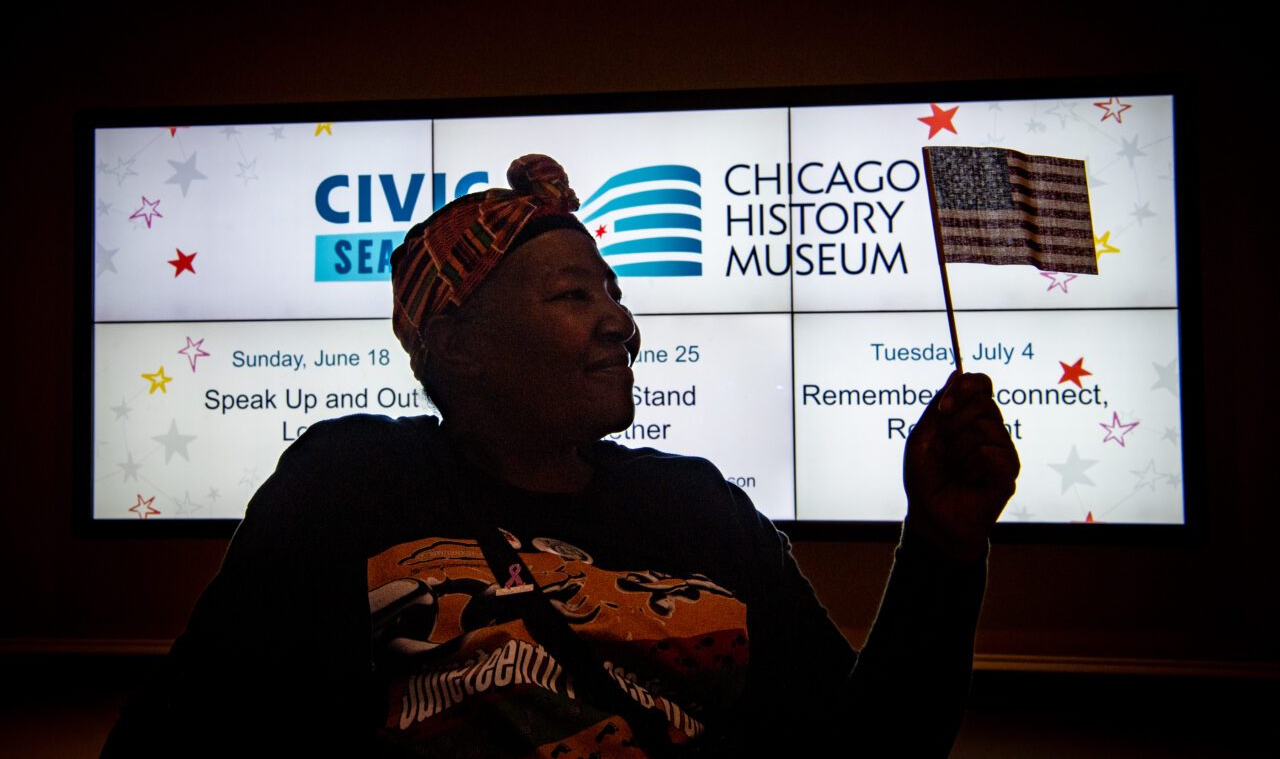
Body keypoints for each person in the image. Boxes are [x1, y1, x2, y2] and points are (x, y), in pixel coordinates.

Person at [104, 154, 1018, 757]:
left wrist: (943, 548)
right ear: (456, 345)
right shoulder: (348, 487)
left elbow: (867, 753)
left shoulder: (699, 508)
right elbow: (173, 741)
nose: (620, 321)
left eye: (616, 293)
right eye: (576, 295)